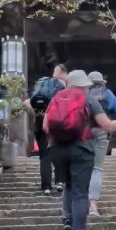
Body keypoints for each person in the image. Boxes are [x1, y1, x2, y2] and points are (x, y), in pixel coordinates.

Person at [44, 69, 116, 230]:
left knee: (69, 185)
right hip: (81, 149)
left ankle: (67, 220)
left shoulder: (56, 98)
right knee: (80, 193)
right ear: (83, 86)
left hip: (56, 149)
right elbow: (109, 126)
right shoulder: (88, 99)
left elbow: (45, 127)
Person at [24, 64, 68, 193]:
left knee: (44, 155)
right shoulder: (62, 86)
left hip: (40, 120)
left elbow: (26, 103)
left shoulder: (41, 85)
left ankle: (46, 187)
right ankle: (60, 182)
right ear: (63, 72)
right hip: (57, 122)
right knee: (59, 152)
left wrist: (38, 113)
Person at [87, 71, 116, 216]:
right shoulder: (107, 93)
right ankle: (93, 206)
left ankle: (80, 203)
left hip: (85, 134)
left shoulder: (84, 94)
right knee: (96, 169)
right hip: (103, 131)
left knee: (83, 167)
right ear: (102, 82)